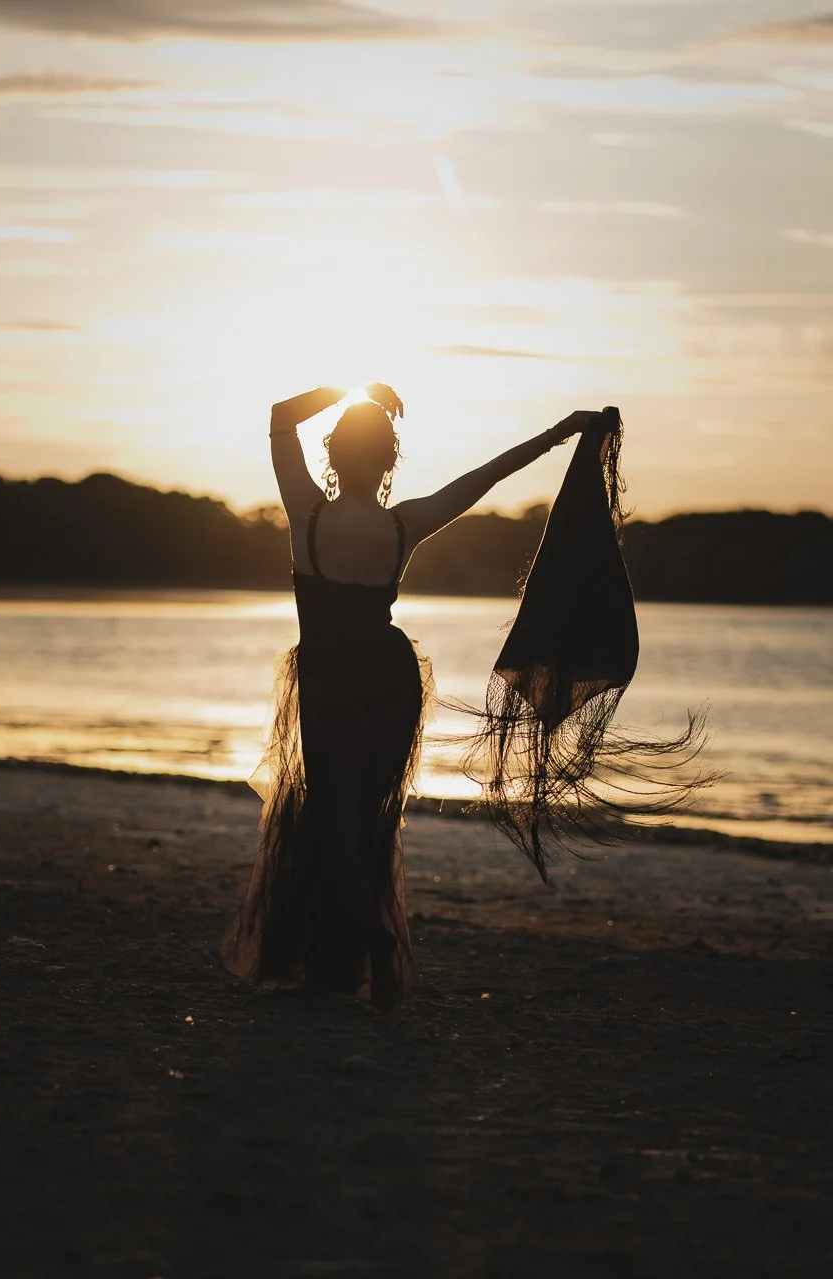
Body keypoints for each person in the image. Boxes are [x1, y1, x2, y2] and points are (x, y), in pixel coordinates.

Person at [221, 383, 594, 1010]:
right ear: (389, 462)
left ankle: (363, 945)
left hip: (330, 677)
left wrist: (350, 387)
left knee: (333, 814)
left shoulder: (305, 510)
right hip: (388, 675)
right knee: (368, 815)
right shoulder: (405, 522)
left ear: (332, 457)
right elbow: (488, 475)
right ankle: (354, 954)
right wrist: (559, 432)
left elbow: (281, 418)